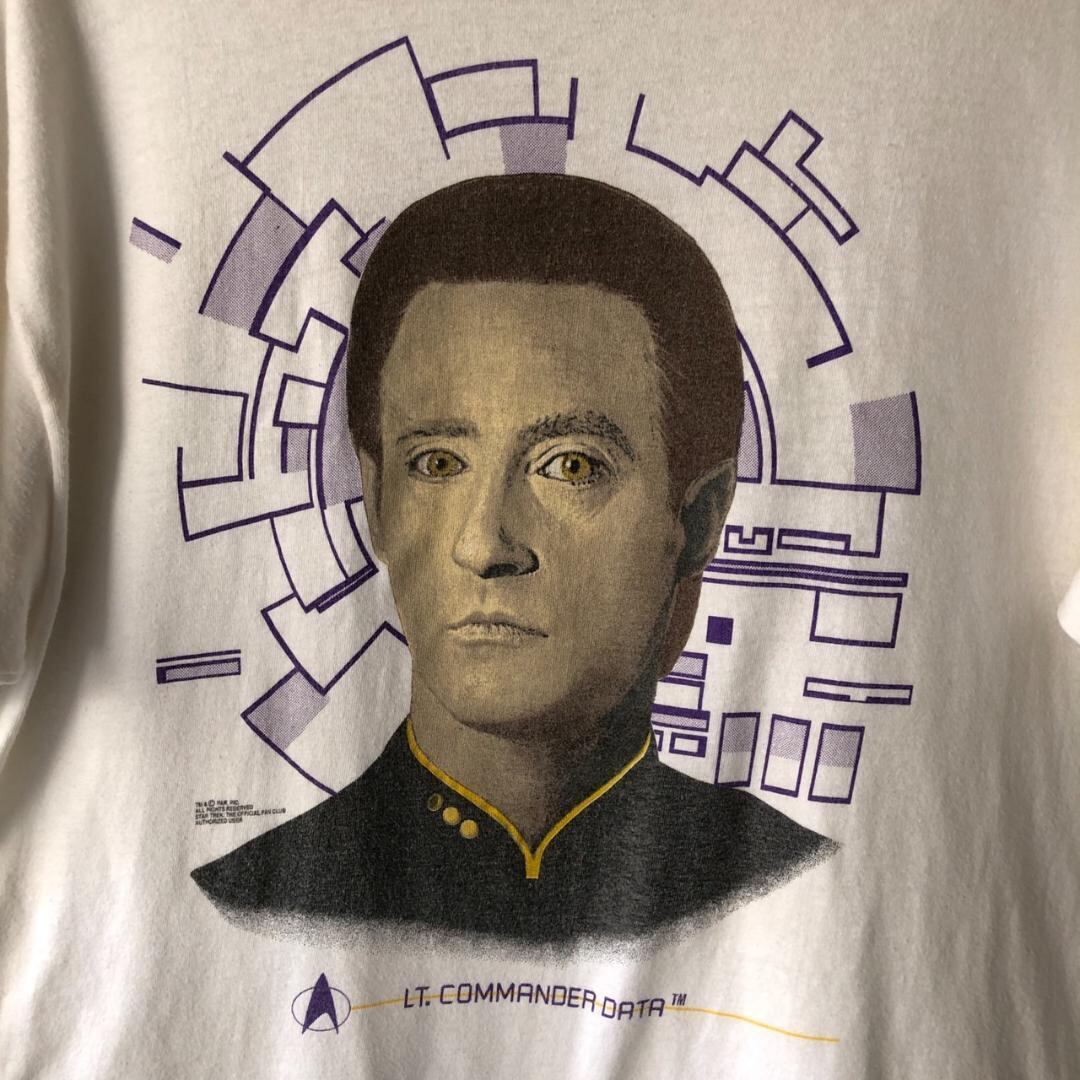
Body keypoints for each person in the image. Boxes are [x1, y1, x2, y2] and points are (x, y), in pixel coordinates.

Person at [190, 173, 838, 947]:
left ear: (697, 519)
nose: (485, 544)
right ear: (377, 499)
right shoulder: (245, 910)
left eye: (570, 466)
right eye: (437, 463)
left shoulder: (806, 892)